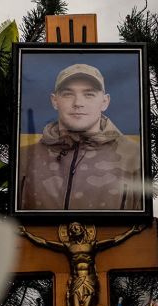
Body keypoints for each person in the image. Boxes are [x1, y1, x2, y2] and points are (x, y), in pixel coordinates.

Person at [18, 62, 143, 212]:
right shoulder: (24, 157)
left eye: (89, 94)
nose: (78, 103)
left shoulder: (135, 157)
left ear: (105, 101)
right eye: (68, 94)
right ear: (54, 100)